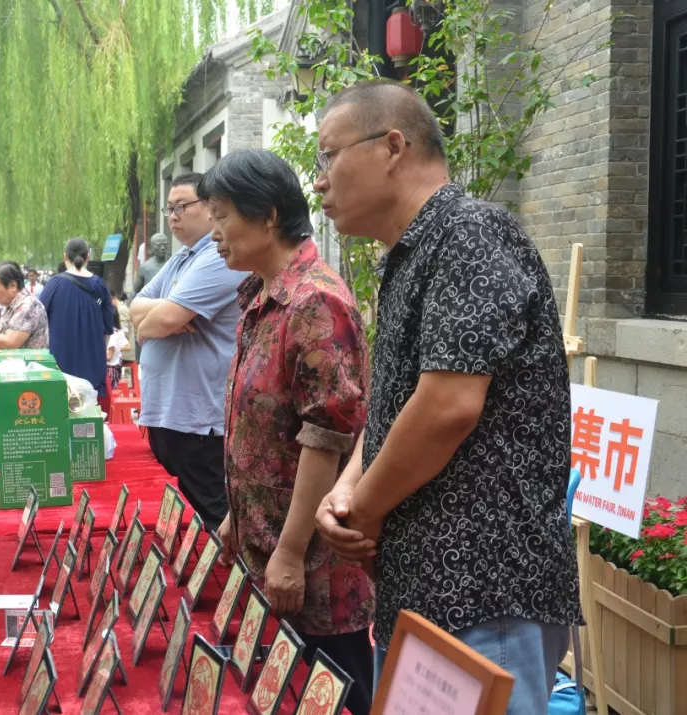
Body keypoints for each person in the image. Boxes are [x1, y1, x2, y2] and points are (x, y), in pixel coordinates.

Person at [311, 80, 582, 713]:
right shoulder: (407, 256)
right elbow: (395, 405)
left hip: (485, 592)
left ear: (393, 146)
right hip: (428, 589)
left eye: (327, 156)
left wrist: (366, 512)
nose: (318, 180)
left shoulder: (470, 235)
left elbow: (447, 406)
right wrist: (346, 491)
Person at [202, 151, 375, 714]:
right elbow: (263, 427)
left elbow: (326, 437)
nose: (214, 233)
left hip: (311, 564)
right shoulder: (262, 295)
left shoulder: (314, 301)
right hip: (266, 541)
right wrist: (236, 511)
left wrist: (291, 552)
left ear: (269, 215)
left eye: (222, 214)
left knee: (332, 692)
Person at [130, 174, 245, 532]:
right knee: (183, 519)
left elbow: (159, 320)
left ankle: (233, 587)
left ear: (211, 209)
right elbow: (135, 306)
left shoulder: (218, 257)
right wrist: (159, 316)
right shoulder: (183, 258)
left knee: (211, 515)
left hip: (197, 417)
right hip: (167, 412)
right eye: (169, 209)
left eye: (182, 206)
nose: (173, 216)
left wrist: (156, 320)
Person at [39, 238, 115, 411]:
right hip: (92, 361)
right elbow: (108, 327)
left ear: (65, 256)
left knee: (61, 412)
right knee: (89, 415)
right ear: (88, 256)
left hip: (61, 360)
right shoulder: (100, 286)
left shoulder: (54, 284)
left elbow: (39, 317)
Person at [111, 292, 135, 363]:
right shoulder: (119, 309)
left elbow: (124, 333)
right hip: (120, 353)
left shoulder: (121, 310)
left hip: (124, 355)